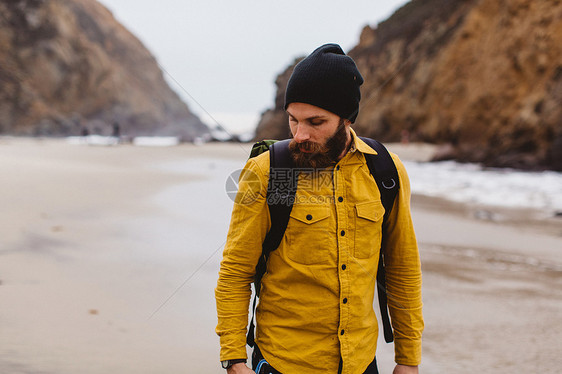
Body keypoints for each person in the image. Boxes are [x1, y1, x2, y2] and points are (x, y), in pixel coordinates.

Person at [216, 44, 423, 374]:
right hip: (285, 363)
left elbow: (402, 267)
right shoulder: (272, 172)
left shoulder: (384, 171)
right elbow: (235, 271)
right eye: (293, 120)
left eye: (315, 122)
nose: (301, 135)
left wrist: (408, 358)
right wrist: (233, 359)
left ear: (347, 119)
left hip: (360, 363)